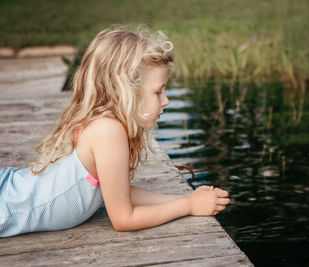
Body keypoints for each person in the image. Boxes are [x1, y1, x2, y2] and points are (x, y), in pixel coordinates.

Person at [0, 26, 230, 237]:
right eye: (158, 92)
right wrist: (188, 206)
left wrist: (187, 198)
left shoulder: (106, 125)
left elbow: (116, 193)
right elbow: (123, 218)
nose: (166, 100)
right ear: (125, 91)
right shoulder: (108, 131)